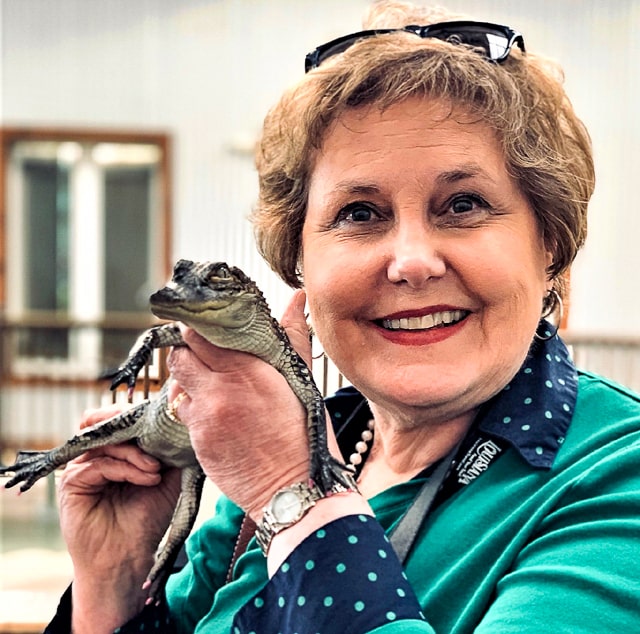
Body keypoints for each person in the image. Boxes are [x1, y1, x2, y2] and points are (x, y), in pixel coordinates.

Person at [46, 1, 640, 632]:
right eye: (360, 213)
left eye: (463, 204)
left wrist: (296, 495)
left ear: (548, 244)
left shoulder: (613, 477)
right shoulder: (311, 448)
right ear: (298, 265)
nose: (411, 262)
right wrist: (111, 586)